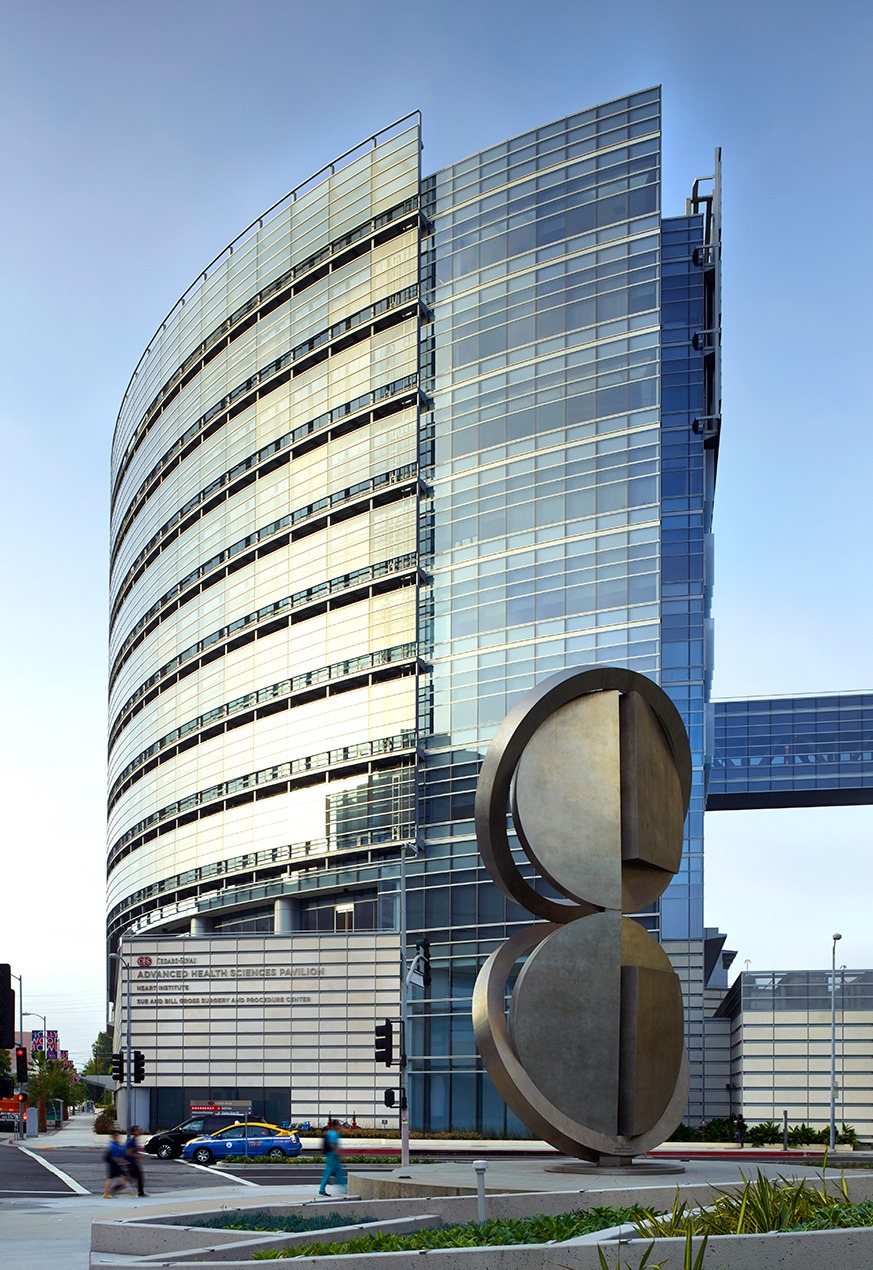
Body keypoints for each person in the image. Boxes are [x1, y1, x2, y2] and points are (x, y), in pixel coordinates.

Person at [317, 1121, 347, 1197]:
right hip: (333, 1156)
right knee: (329, 1172)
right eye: (338, 1126)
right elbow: (333, 1145)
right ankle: (322, 1190)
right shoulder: (334, 1134)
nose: (339, 1127)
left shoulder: (329, 1133)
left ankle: (344, 1188)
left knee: (339, 1172)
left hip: (331, 1155)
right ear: (335, 1126)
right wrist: (339, 1154)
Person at [103, 1131, 133, 1197]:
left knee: (123, 1177)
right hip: (114, 1165)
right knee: (111, 1178)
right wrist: (122, 1161)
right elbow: (115, 1156)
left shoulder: (117, 1144)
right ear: (115, 1137)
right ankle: (105, 1193)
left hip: (117, 1164)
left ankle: (130, 1192)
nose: (119, 1138)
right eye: (118, 1137)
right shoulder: (113, 1146)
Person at [125, 1125, 147, 1196]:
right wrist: (139, 1156)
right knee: (138, 1177)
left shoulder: (134, 1140)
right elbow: (129, 1152)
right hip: (131, 1164)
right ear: (134, 1132)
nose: (139, 1131)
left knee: (137, 1178)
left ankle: (141, 1192)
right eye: (138, 1130)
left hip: (133, 1163)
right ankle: (140, 1192)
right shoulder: (132, 1141)